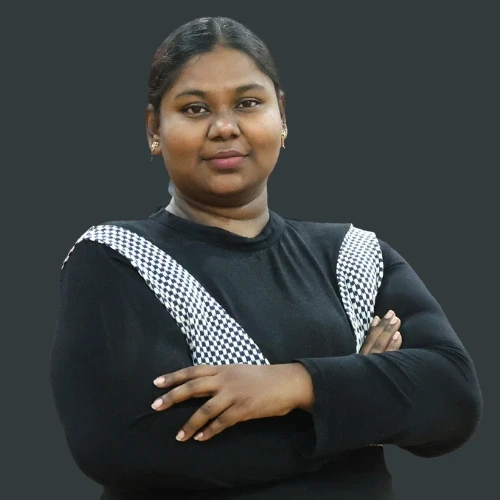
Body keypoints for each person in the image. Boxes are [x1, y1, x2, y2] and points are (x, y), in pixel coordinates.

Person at [49, 16, 482, 500]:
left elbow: (454, 398)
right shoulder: (117, 258)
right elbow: (123, 444)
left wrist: (296, 384)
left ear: (282, 116)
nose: (224, 127)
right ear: (155, 128)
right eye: (194, 109)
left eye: (248, 103)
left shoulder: (354, 255)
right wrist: (361, 407)